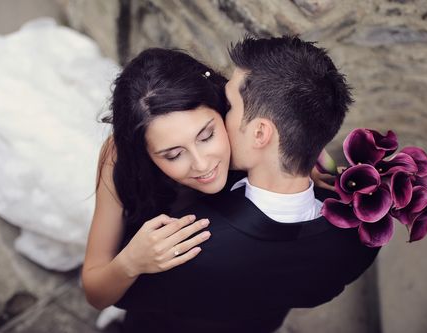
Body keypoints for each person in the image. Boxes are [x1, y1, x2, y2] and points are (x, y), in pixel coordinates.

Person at [116, 36, 380, 333]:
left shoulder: (191, 243)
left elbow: (123, 295)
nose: (221, 108)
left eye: (228, 106)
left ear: (259, 134)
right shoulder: (366, 226)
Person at [82, 47, 333, 311]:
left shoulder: (245, 127)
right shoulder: (118, 160)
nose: (202, 164)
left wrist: (300, 164)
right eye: (173, 154)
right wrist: (130, 263)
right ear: (143, 153)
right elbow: (95, 293)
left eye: (206, 136)